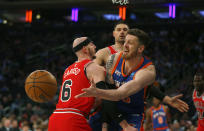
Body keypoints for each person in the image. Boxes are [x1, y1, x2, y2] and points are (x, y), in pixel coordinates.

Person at [76, 28, 189, 130]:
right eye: (125, 41)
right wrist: (166, 98)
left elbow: (121, 93)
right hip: (112, 111)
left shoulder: (147, 71)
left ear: (140, 49)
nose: (124, 45)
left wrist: (98, 91)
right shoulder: (114, 59)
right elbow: (108, 98)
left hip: (132, 115)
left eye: (130, 43)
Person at [48, 37, 135, 131]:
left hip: (55, 119)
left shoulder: (67, 70)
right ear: (85, 49)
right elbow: (106, 99)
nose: (95, 46)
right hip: (73, 120)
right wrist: (125, 125)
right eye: (91, 44)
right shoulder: (93, 67)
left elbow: (83, 100)